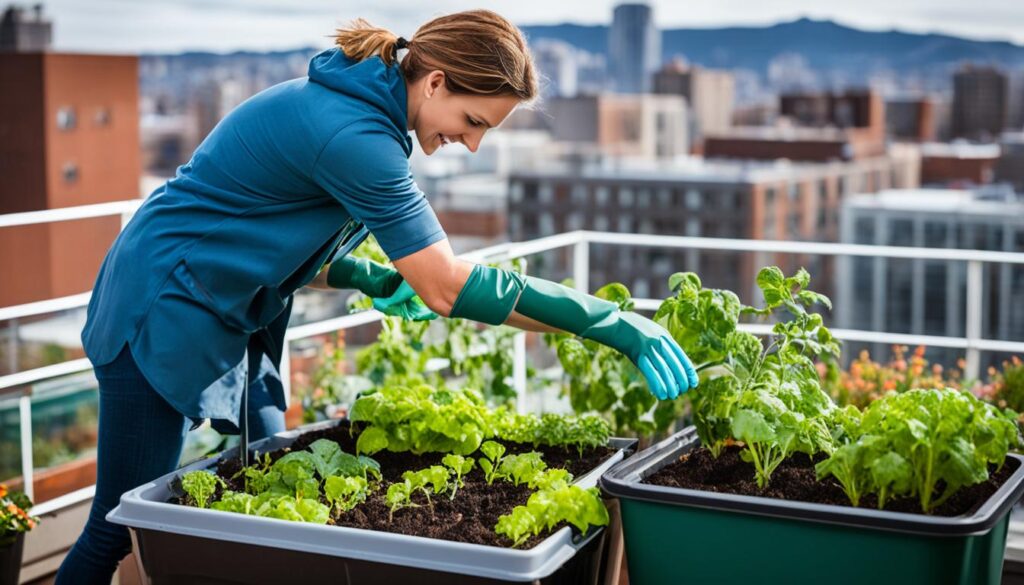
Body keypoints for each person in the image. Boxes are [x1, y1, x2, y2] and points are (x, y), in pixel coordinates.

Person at [56, 10, 698, 584]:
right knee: (114, 528)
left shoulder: (370, 110)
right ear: (437, 80)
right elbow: (446, 286)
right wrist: (609, 322)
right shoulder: (357, 136)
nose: (472, 144)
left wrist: (367, 276)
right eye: (472, 122)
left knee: (274, 487)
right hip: (159, 307)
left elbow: (268, 231)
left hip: (220, 304)